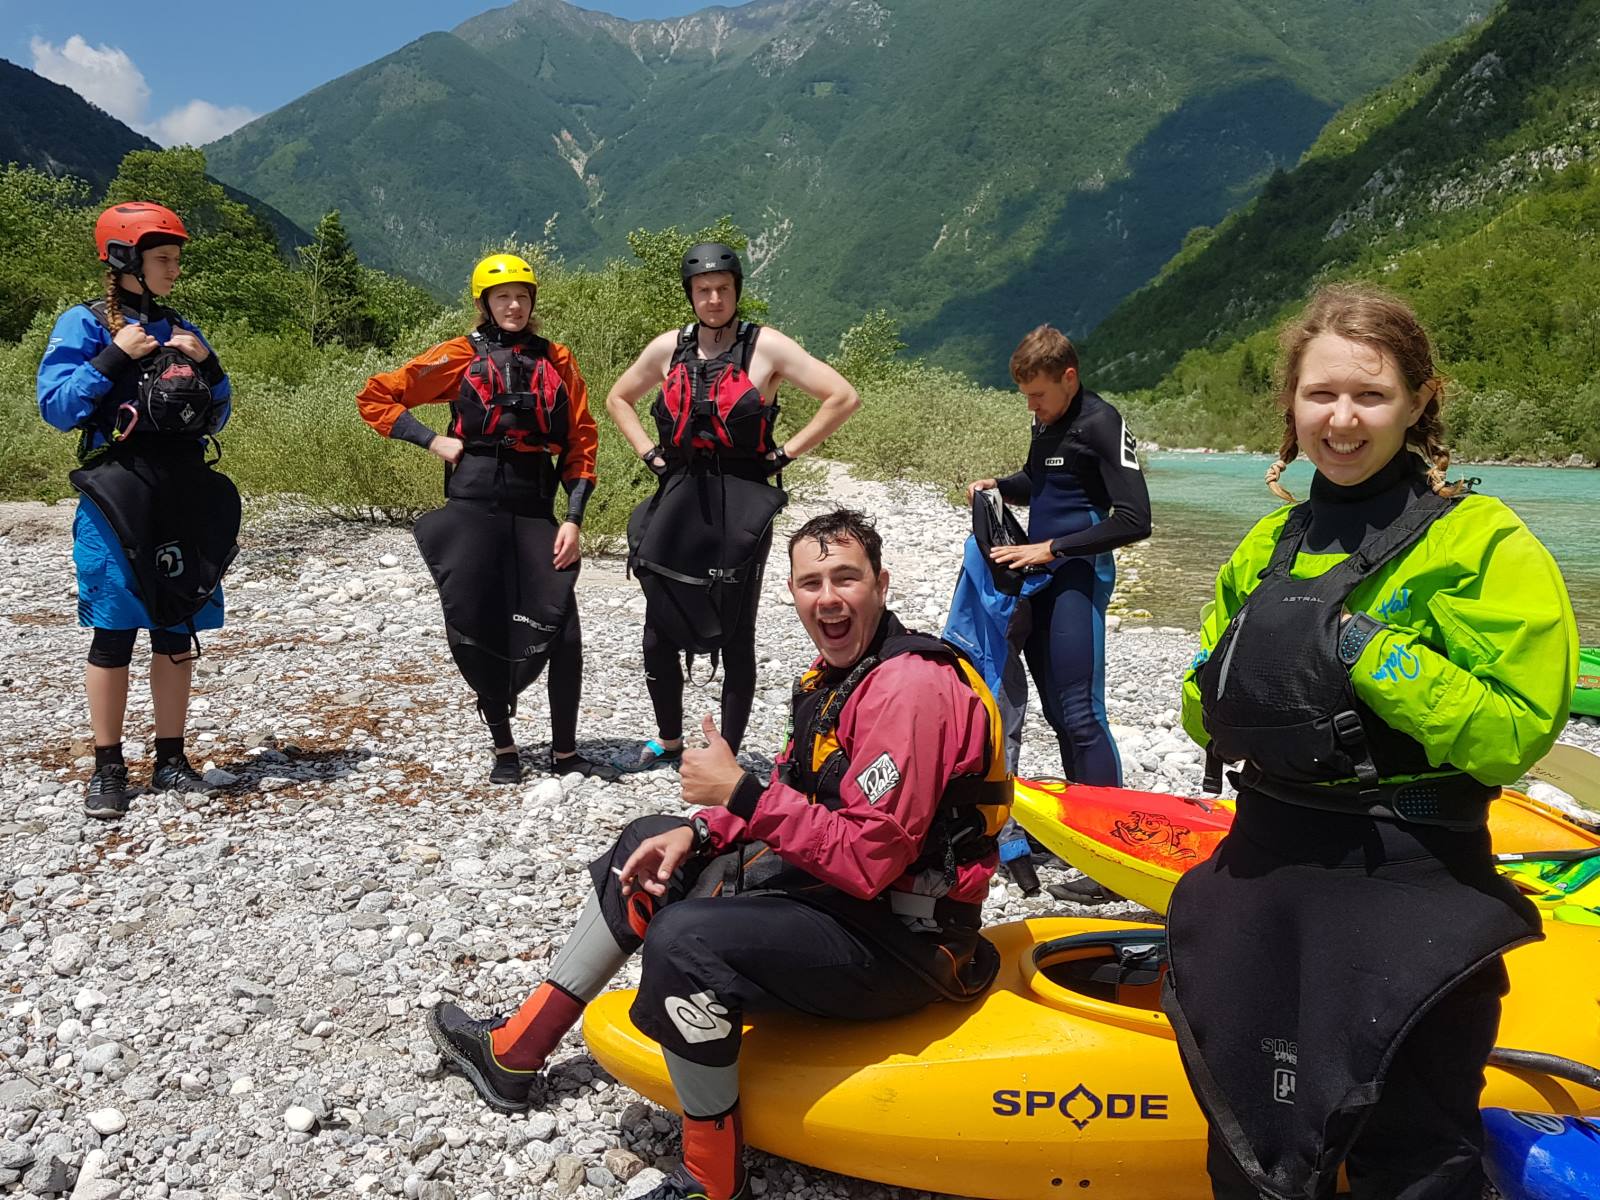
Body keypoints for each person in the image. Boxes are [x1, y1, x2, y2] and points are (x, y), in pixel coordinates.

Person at [426, 509, 1011, 1200]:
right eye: (811, 582)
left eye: (846, 578)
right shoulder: (838, 677)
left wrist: (741, 792)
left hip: (908, 946)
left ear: (881, 585)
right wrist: (702, 831)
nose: (828, 598)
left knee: (686, 940)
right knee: (650, 844)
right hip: (843, 907)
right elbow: (798, 792)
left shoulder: (910, 690)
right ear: (791, 593)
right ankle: (512, 1055)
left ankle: (712, 1180)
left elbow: (867, 860)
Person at [1167, 284, 1576, 1199]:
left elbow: (1513, 734)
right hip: (1262, 877)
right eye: (1321, 394)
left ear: (1420, 401)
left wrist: (1363, 649)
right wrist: (1258, 666)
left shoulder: (1482, 542)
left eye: (1371, 395)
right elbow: (1203, 708)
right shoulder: (1268, 546)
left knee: (1414, 1156)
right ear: (1291, 403)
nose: (1342, 420)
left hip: (1408, 884)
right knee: (1248, 1146)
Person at [356, 253, 611, 783]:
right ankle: (504, 747)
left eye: (521, 296)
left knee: (563, 627)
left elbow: (581, 439)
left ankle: (566, 752)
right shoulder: (459, 355)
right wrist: (431, 440)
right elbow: (376, 396)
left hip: (534, 500)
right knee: (478, 619)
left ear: (532, 302)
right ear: (485, 304)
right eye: (502, 297)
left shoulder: (557, 359)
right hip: (473, 498)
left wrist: (574, 518)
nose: (513, 305)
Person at [606, 242, 859, 768]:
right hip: (679, 491)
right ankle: (670, 739)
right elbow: (618, 398)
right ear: (691, 295)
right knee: (658, 627)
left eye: (723, 288)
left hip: (743, 498)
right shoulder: (670, 347)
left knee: (736, 631)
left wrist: (785, 453)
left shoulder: (766, 347)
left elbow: (842, 396)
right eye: (703, 290)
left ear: (737, 290)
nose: (714, 299)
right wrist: (649, 453)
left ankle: (727, 754)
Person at [37, 201, 237, 821]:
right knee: (115, 628)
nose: (174, 269)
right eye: (164, 259)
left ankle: (171, 759)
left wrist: (210, 366)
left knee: (177, 621)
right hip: (116, 490)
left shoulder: (182, 328)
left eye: (175, 258)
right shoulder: (85, 324)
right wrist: (112, 357)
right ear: (127, 259)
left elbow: (218, 414)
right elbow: (57, 407)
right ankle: (108, 767)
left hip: (181, 488)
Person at [966, 325, 1150, 788]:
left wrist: (1052, 548)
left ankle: (1110, 819)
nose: (1031, 406)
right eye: (1025, 396)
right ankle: (1080, 810)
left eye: (1038, 395)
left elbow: (1135, 520)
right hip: (1041, 576)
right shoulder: (1045, 421)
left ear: (1069, 377)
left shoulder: (1102, 422)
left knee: (1081, 713)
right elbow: (1039, 481)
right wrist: (999, 487)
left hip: (1078, 576)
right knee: (1056, 712)